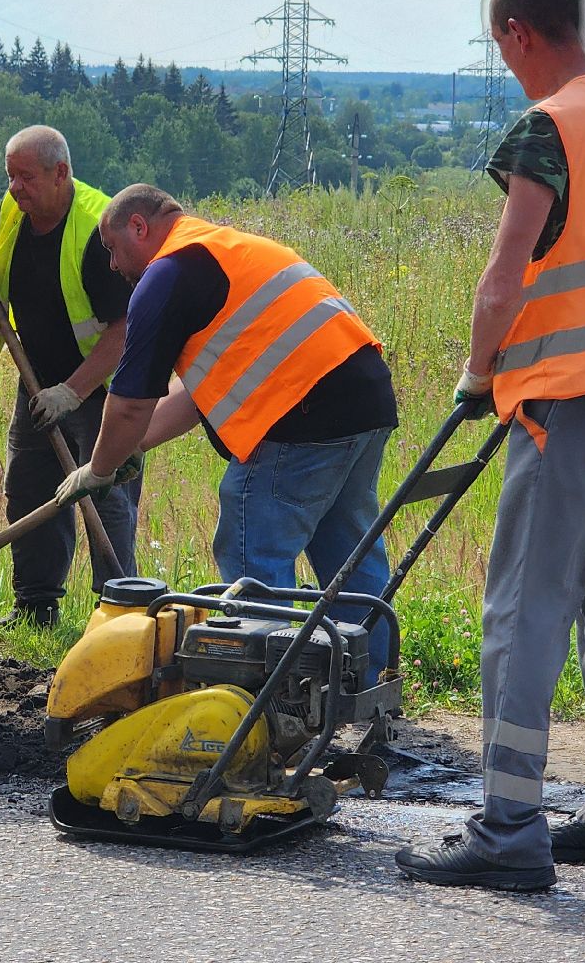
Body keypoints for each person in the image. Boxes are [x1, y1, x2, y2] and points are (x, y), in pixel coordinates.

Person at [394, 0, 585, 891]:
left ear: (521, 32)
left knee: (525, 607)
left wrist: (480, 373)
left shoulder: (549, 126)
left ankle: (508, 828)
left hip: (569, 403)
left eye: (501, 49)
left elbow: (506, 273)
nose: (508, 66)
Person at [56, 184, 399, 682]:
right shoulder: (225, 251)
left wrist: (100, 468)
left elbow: (129, 403)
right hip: (364, 401)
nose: (113, 266)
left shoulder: (167, 273)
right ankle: (369, 691)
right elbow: (195, 396)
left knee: (252, 554)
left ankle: (273, 699)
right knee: (348, 558)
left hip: (301, 414)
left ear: (139, 227)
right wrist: (132, 448)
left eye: (112, 249)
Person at [0, 126, 137, 630]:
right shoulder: (15, 210)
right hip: (35, 375)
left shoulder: (98, 230)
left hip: (100, 386)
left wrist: (73, 392)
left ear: (61, 174)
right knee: (29, 487)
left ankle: (116, 616)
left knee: (106, 493)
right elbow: (10, 261)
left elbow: (125, 330)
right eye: (10, 176)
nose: (14, 188)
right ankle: (35, 607)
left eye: (25, 177)